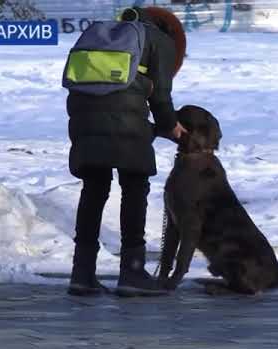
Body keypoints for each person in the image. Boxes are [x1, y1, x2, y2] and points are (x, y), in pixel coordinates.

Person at [66, 6, 187, 296]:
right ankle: (132, 273)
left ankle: (81, 274)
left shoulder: (100, 33)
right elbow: (160, 97)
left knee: (94, 189)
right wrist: (172, 127)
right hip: (126, 121)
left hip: (83, 117)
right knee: (134, 186)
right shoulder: (159, 39)